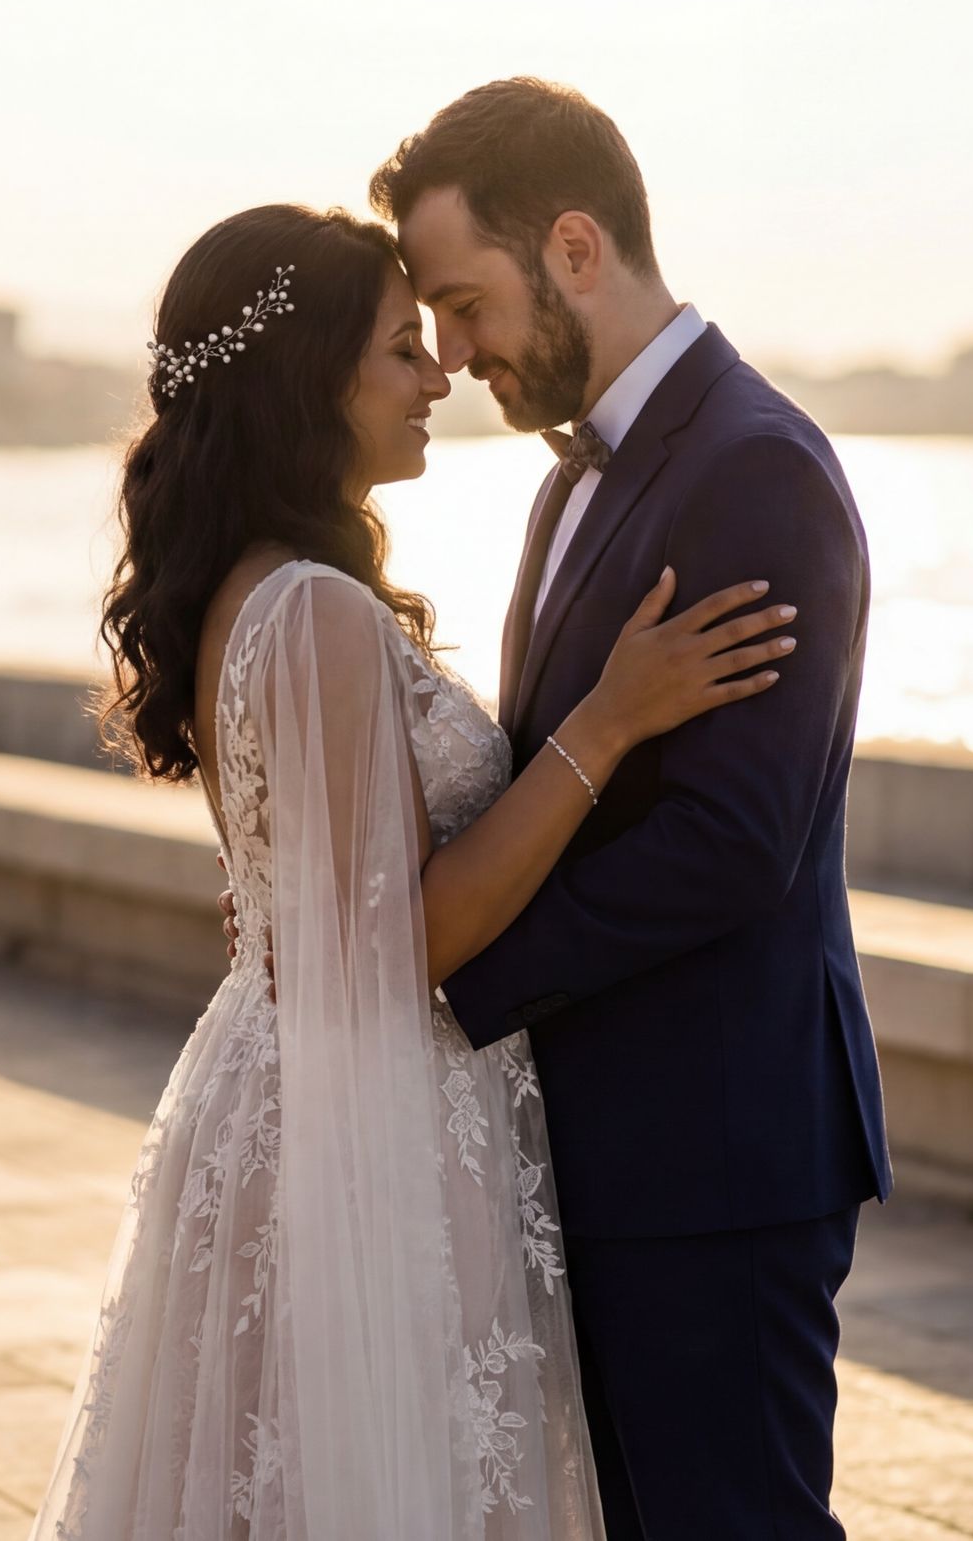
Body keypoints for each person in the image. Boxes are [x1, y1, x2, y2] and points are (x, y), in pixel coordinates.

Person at [30, 203, 798, 1539]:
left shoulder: (250, 592)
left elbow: (332, 897)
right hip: (369, 1107)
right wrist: (607, 723)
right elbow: (415, 939)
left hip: (305, 1074)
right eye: (400, 347)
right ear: (308, 386)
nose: (440, 370)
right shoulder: (317, 612)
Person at [378, 78, 890, 1538]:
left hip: (716, 1146)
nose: (456, 351)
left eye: (467, 303)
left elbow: (735, 842)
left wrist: (459, 971)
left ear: (577, 247)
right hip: (612, 1139)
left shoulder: (756, 469)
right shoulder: (565, 485)